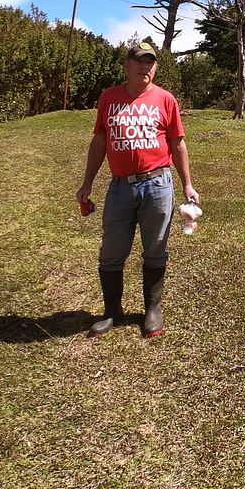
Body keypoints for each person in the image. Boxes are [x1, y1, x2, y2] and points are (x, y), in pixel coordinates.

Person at [76, 41, 200, 338]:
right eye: (140, 61)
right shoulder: (109, 98)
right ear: (127, 65)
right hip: (120, 187)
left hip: (158, 185)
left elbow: (177, 143)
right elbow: (100, 141)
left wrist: (187, 184)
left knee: (155, 249)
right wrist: (88, 181)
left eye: (151, 63)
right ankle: (111, 313)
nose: (145, 67)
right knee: (111, 251)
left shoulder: (166, 99)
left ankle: (152, 310)